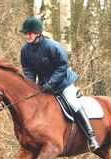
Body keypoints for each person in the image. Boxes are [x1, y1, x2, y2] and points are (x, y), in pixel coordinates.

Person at [19, 17, 99, 151]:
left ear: (38, 33)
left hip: (63, 82)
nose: (27, 36)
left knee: (73, 103)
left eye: (30, 33)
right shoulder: (25, 50)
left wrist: (51, 83)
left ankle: (91, 137)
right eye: (26, 33)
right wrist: (31, 86)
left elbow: (62, 67)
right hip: (44, 85)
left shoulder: (53, 46)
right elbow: (28, 71)